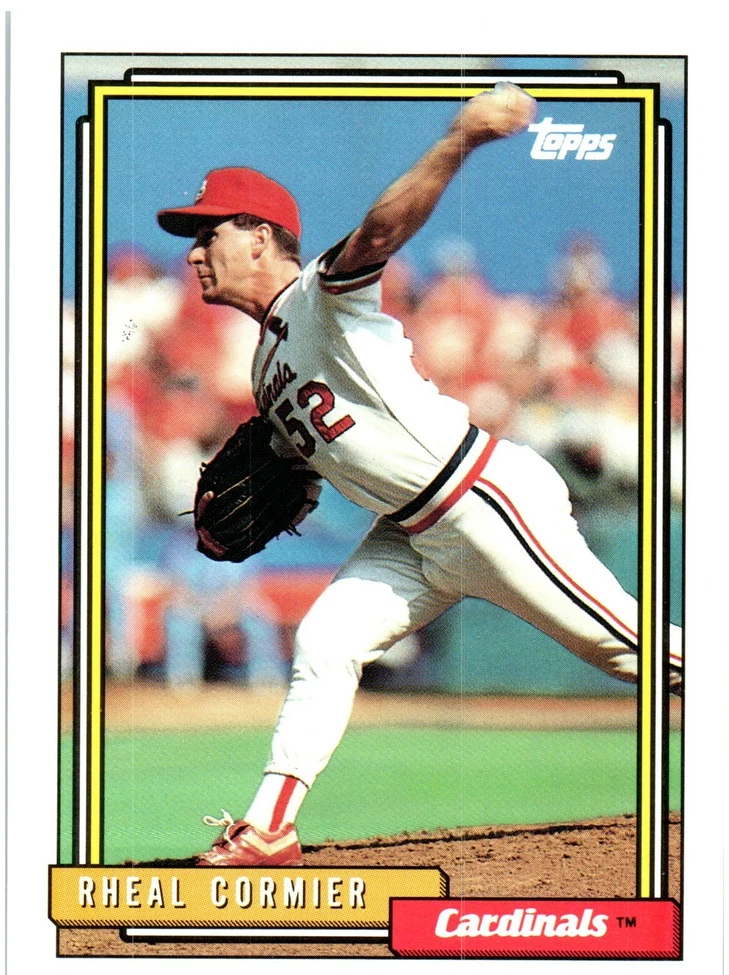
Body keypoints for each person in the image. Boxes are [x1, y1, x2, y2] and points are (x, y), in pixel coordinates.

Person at [156, 83, 683, 867]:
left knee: (626, 651)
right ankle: (268, 828)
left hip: (483, 500)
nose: (194, 251)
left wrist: (458, 139)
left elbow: (379, 231)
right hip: (407, 533)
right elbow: (309, 472)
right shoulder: (264, 364)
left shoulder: (320, 296)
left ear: (261, 239)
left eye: (209, 232)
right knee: (326, 639)